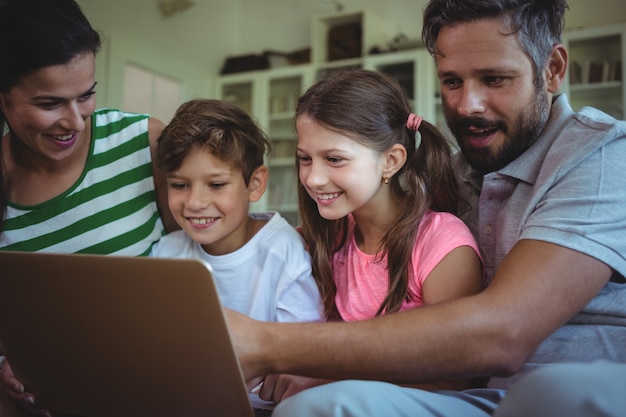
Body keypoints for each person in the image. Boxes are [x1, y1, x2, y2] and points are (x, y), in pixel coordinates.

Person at [224, 0, 626, 416]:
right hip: (483, 399)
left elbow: (505, 332)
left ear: (553, 69)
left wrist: (269, 346)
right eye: (451, 82)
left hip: (570, 393)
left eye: (495, 79)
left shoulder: (601, 156)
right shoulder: (459, 171)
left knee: (552, 392)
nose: (468, 104)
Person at [256, 69, 484, 403]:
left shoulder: (442, 245)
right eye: (305, 159)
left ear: (390, 161)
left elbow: (455, 384)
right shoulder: (326, 237)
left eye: (334, 159)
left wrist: (323, 379)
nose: (314, 178)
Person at [0, 0, 176, 414]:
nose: (76, 122)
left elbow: (201, 261)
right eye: (50, 104)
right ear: (4, 98)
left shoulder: (144, 143)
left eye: (86, 96)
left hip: (160, 388)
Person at [150, 98, 323, 324]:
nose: (194, 202)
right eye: (180, 185)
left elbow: (301, 350)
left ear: (255, 184)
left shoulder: (285, 254)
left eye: (216, 185)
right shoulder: (165, 254)